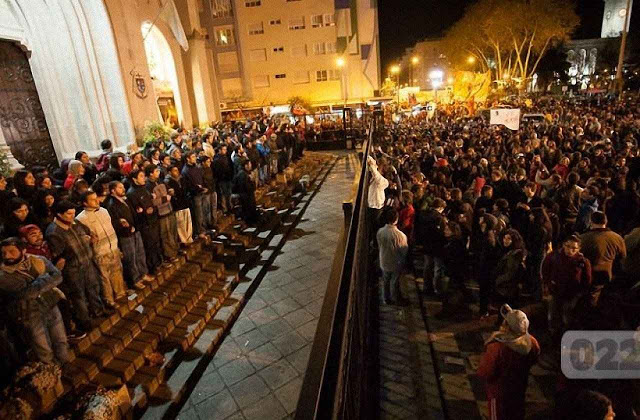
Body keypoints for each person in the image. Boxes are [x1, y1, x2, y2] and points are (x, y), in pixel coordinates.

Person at [0, 237, 69, 364]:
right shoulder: (3, 276)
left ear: (23, 250)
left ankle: (65, 366)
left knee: (61, 340)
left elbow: (58, 276)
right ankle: (52, 376)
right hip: (30, 313)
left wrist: (36, 285)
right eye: (4, 253)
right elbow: (25, 294)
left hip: (50, 305)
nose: (7, 256)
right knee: (43, 349)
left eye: (11, 251)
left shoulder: (39, 260)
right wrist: (45, 278)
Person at [45, 200, 107, 332]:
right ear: (59, 215)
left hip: (87, 262)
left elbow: (87, 232)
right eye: (68, 214)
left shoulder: (75, 223)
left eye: (73, 213)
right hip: (72, 269)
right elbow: (60, 255)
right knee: (78, 295)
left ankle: (98, 311)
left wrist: (90, 237)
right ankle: (85, 321)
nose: (72, 216)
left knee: (93, 287)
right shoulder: (54, 232)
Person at [477, 304, 540, 420]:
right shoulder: (532, 343)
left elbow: (484, 372)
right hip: (519, 388)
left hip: (499, 393)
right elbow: (534, 359)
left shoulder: (497, 348)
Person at [76, 190, 127, 309]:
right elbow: (81, 237)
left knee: (117, 271)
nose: (96, 201)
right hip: (100, 252)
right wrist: (88, 239)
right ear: (85, 203)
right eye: (92, 200)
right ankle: (109, 300)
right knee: (104, 277)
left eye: (96, 198)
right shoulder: (81, 218)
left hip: (113, 247)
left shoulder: (104, 211)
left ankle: (120, 293)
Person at [104, 181, 150, 290]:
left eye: (123, 187)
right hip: (126, 234)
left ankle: (143, 273)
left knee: (140, 252)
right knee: (131, 257)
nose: (123, 189)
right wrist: (122, 223)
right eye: (120, 188)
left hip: (135, 230)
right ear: (113, 191)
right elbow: (115, 221)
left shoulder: (125, 200)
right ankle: (135, 279)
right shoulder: (112, 205)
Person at [541, 235, 592, 334]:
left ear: (579, 249)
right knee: (552, 315)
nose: (570, 250)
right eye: (568, 246)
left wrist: (579, 293)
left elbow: (587, 279)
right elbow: (545, 271)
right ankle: (553, 334)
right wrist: (548, 284)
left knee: (567, 316)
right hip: (555, 291)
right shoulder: (553, 256)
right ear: (564, 245)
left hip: (571, 294)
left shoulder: (582, 261)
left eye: (574, 248)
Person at [127, 169, 164, 273]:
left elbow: (151, 202)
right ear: (134, 179)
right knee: (149, 245)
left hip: (153, 219)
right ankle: (152, 266)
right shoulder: (132, 193)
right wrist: (144, 212)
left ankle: (158, 262)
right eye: (141, 176)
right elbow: (135, 211)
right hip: (145, 223)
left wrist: (153, 208)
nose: (144, 178)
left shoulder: (144, 189)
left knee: (156, 242)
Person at [145, 164, 180, 263]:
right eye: (156, 171)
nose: (158, 173)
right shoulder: (148, 186)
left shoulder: (160, 181)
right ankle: (169, 254)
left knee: (173, 231)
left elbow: (168, 190)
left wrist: (170, 191)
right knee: (166, 234)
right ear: (150, 174)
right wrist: (164, 198)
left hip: (169, 209)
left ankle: (175, 249)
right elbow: (152, 201)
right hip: (161, 213)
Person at [580, 211, 626, 282]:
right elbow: (623, 256)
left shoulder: (583, 238)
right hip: (608, 275)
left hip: (589, 276)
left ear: (591, 222)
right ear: (606, 222)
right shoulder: (617, 238)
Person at [376, 207, 408, 305]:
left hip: (384, 259)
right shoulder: (400, 235)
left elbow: (379, 244)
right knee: (394, 281)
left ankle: (386, 298)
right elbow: (404, 250)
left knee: (385, 280)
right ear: (396, 219)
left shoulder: (380, 231)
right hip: (395, 261)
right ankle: (395, 298)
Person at [182, 151, 208, 237]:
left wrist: (204, 186)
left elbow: (202, 177)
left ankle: (204, 228)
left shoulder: (197, 167)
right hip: (195, 194)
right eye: (192, 157)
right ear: (188, 159)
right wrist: (197, 188)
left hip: (202, 192)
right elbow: (188, 185)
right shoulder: (185, 171)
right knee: (198, 214)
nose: (194, 158)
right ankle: (200, 231)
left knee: (204, 211)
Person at [367, 156, 389, 244]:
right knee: (372, 227)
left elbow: (377, 176)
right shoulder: (375, 175)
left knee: (376, 228)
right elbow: (369, 158)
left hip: (377, 208)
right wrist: (372, 162)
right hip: (371, 206)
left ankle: (376, 244)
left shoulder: (384, 182)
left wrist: (372, 166)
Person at [232, 158, 260, 224]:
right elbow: (244, 186)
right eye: (249, 164)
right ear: (245, 165)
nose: (250, 166)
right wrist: (252, 182)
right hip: (246, 196)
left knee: (251, 209)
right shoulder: (242, 174)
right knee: (248, 209)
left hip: (248, 195)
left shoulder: (245, 173)